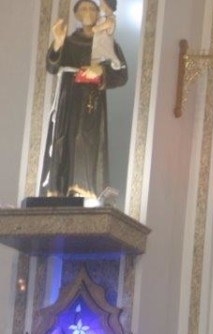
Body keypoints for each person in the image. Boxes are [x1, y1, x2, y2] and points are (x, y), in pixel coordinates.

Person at [41, 0, 129, 200]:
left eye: (92, 8)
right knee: (63, 140)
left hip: (91, 101)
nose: (88, 12)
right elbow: (52, 68)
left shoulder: (107, 42)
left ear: (99, 12)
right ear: (76, 14)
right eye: (83, 8)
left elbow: (122, 75)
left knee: (86, 141)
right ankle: (58, 190)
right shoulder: (68, 41)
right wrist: (57, 42)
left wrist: (101, 71)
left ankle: (83, 188)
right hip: (68, 98)